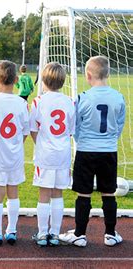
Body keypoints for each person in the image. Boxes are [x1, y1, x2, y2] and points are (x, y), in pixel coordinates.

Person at [59, 56, 125, 247]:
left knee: (84, 194)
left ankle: (80, 234)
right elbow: (119, 126)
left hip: (86, 151)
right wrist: (108, 141)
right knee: (108, 193)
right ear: (108, 73)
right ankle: (110, 234)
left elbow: (75, 127)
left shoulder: (82, 98)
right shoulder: (118, 97)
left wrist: (83, 142)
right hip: (109, 151)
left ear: (88, 75)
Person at [0, 61, 29, 247]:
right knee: (13, 193)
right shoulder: (22, 103)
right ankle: (11, 231)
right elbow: (25, 132)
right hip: (15, 156)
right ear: (16, 80)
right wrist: (15, 144)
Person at [29, 62, 75, 246]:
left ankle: (42, 234)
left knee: (44, 194)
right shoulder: (70, 102)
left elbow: (33, 129)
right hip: (62, 154)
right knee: (58, 194)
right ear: (63, 81)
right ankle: (55, 234)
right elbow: (71, 131)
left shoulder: (38, 101)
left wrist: (40, 143)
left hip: (44, 155)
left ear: (44, 80)